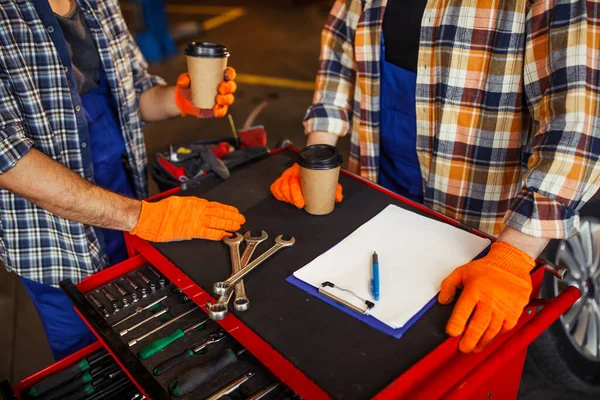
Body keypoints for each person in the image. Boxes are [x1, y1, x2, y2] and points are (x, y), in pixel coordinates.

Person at [272, 0, 600, 353]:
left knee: (446, 353)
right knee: (361, 338)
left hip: (478, 230)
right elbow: (338, 56)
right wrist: (318, 154)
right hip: (374, 191)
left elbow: (578, 125)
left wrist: (514, 256)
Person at [0, 0, 244, 360]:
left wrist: (180, 99)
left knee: (146, 344)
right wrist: (146, 217)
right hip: (56, 243)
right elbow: (10, 160)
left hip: (128, 206)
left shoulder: (99, 3)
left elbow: (138, 95)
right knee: (89, 363)